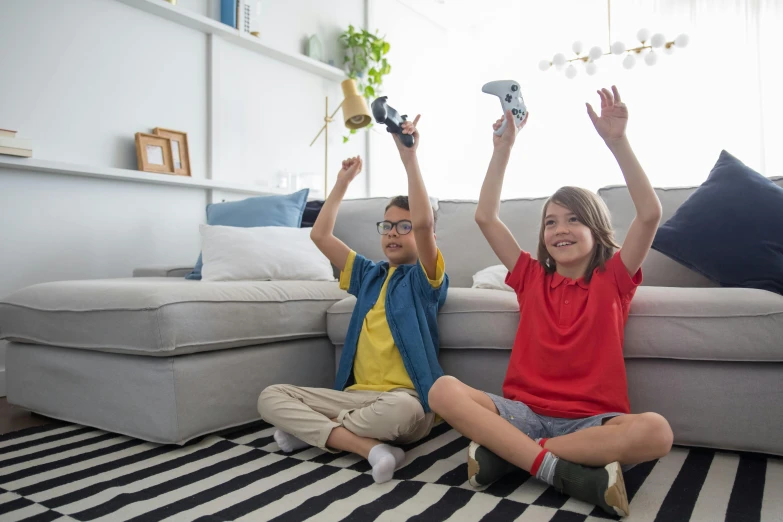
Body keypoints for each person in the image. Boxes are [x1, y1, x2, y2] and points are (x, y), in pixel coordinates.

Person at [427, 86, 673, 516]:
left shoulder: (614, 278)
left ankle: (512, 455)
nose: (560, 228)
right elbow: (485, 217)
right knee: (442, 389)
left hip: (591, 422)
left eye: (574, 219)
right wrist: (503, 148)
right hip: (521, 412)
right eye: (551, 221)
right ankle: (561, 470)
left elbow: (650, 214)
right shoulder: (529, 277)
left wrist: (618, 142)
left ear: (596, 230)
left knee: (658, 432)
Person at [257, 116, 449, 484]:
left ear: (426, 234)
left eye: (404, 226)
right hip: (353, 399)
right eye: (388, 225)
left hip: (402, 401)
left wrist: (409, 158)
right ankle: (370, 449)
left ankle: (314, 433)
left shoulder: (427, 278)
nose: (393, 233)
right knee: (270, 397)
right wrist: (341, 183)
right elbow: (320, 234)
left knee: (403, 413)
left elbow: (425, 225)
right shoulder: (368, 274)